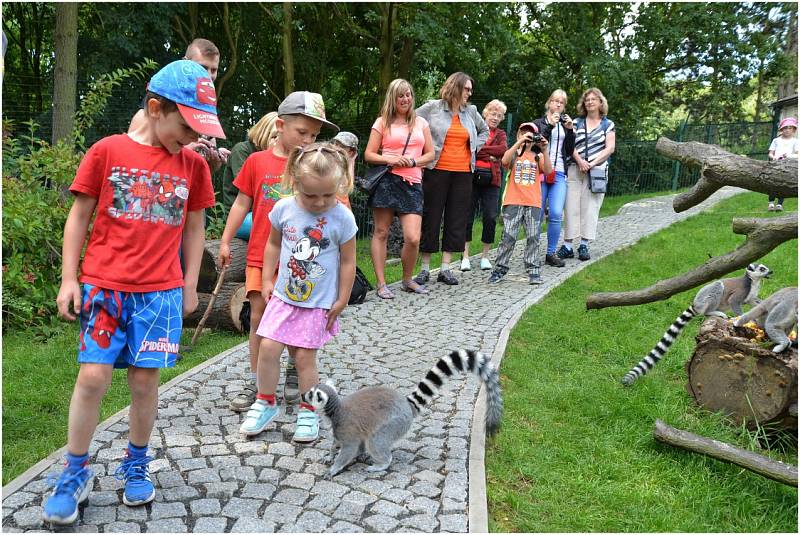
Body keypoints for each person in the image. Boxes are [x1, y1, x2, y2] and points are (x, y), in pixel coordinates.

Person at [42, 60, 221, 524]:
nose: (191, 137)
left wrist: (189, 285)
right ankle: (74, 471)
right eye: (186, 125)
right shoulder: (106, 151)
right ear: (155, 107)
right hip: (104, 287)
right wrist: (68, 278)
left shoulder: (194, 165)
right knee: (93, 379)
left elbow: (196, 228)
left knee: (144, 383)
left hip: (160, 294)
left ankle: (137, 464)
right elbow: (79, 216)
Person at [219, 92, 338, 413]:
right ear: (281, 125)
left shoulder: (311, 165)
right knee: (260, 320)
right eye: (302, 132)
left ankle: (291, 374)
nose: (308, 140)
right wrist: (227, 240)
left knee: (300, 318)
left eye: (314, 135)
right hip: (262, 256)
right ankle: (258, 380)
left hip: (302, 262)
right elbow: (241, 204)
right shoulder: (257, 162)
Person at [239, 142, 357, 442]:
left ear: (340, 184)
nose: (319, 202)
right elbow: (273, 245)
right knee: (267, 348)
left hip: (317, 304)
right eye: (310, 195)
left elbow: (348, 261)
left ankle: (308, 410)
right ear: (294, 180)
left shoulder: (342, 217)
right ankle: (265, 401)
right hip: (283, 297)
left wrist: (342, 298)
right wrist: (267, 280)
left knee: (304, 359)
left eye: (328, 195)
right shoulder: (284, 209)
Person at [414, 72, 489, 286]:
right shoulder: (432, 108)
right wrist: (422, 150)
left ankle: (445, 268)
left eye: (470, 89)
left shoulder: (471, 112)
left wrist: (474, 147)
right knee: (431, 217)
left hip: (464, 172)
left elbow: (484, 131)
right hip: (436, 170)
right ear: (455, 87)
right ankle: (425, 268)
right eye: (466, 88)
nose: (469, 93)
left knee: (456, 218)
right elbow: (412, 123)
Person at [364, 79, 435, 297]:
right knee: (381, 232)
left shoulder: (421, 123)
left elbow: (431, 154)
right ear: (393, 99)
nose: (405, 99)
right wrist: (391, 159)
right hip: (387, 181)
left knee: (413, 237)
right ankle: (381, 283)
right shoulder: (382, 122)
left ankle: (406, 279)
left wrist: (413, 162)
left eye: (408, 95)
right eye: (400, 96)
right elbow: (369, 154)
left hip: (412, 182)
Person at [128, 38, 230, 172]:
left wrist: (214, 159)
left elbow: (206, 168)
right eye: (203, 67)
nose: (208, 75)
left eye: (213, 70)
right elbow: (133, 158)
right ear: (185, 62)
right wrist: (184, 151)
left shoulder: (205, 104)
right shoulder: (163, 100)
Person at [487, 122, 552, 285]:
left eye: (530, 135)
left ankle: (533, 271)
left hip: (534, 203)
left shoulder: (538, 156)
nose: (527, 138)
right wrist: (519, 142)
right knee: (508, 237)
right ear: (518, 135)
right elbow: (504, 161)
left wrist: (545, 149)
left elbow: (549, 171)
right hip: (513, 202)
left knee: (533, 237)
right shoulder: (514, 153)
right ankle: (499, 269)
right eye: (524, 134)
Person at [556, 87, 615, 262]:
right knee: (571, 206)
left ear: (600, 102)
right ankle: (567, 245)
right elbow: (569, 144)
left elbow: (610, 147)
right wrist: (581, 161)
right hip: (575, 168)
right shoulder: (576, 123)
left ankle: (584, 244)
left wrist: (592, 163)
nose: (590, 102)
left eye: (593, 99)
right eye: (587, 100)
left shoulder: (608, 124)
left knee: (590, 207)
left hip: (596, 171)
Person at [461, 99, 508, 272]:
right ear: (485, 114)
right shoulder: (475, 128)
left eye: (499, 115)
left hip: (492, 181)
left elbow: (502, 150)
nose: (495, 117)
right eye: (492, 114)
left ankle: (485, 256)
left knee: (490, 216)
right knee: (467, 216)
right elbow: (471, 148)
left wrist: (482, 152)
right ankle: (465, 256)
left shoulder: (501, 134)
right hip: (471, 179)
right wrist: (489, 155)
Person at [221, 112, 280, 242]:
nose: (279, 141)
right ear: (265, 133)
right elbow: (254, 189)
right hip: (242, 216)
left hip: (265, 212)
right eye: (276, 136)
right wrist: (269, 154)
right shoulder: (242, 150)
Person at [533, 89, 575, 268]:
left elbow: (571, 149)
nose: (558, 104)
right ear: (549, 103)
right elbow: (537, 142)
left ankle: (551, 253)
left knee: (557, 213)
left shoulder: (565, 125)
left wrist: (571, 131)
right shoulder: (538, 123)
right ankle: (532, 252)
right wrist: (550, 125)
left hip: (559, 173)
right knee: (538, 213)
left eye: (562, 102)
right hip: (541, 172)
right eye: (555, 101)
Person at [767, 117, 798, 211]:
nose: (787, 130)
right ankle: (771, 203)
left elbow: (798, 154)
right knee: (773, 183)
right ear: (782, 129)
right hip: (775, 164)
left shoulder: (796, 141)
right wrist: (774, 157)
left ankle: (780, 204)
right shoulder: (776, 140)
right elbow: (770, 153)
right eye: (785, 128)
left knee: (783, 183)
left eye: (790, 128)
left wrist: (788, 155)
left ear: (793, 129)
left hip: (788, 165)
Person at [331, 131, 359, 211]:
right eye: (335, 144)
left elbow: (346, 190)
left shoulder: (345, 166)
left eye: (341, 146)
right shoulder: (327, 162)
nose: (335, 148)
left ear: (351, 152)